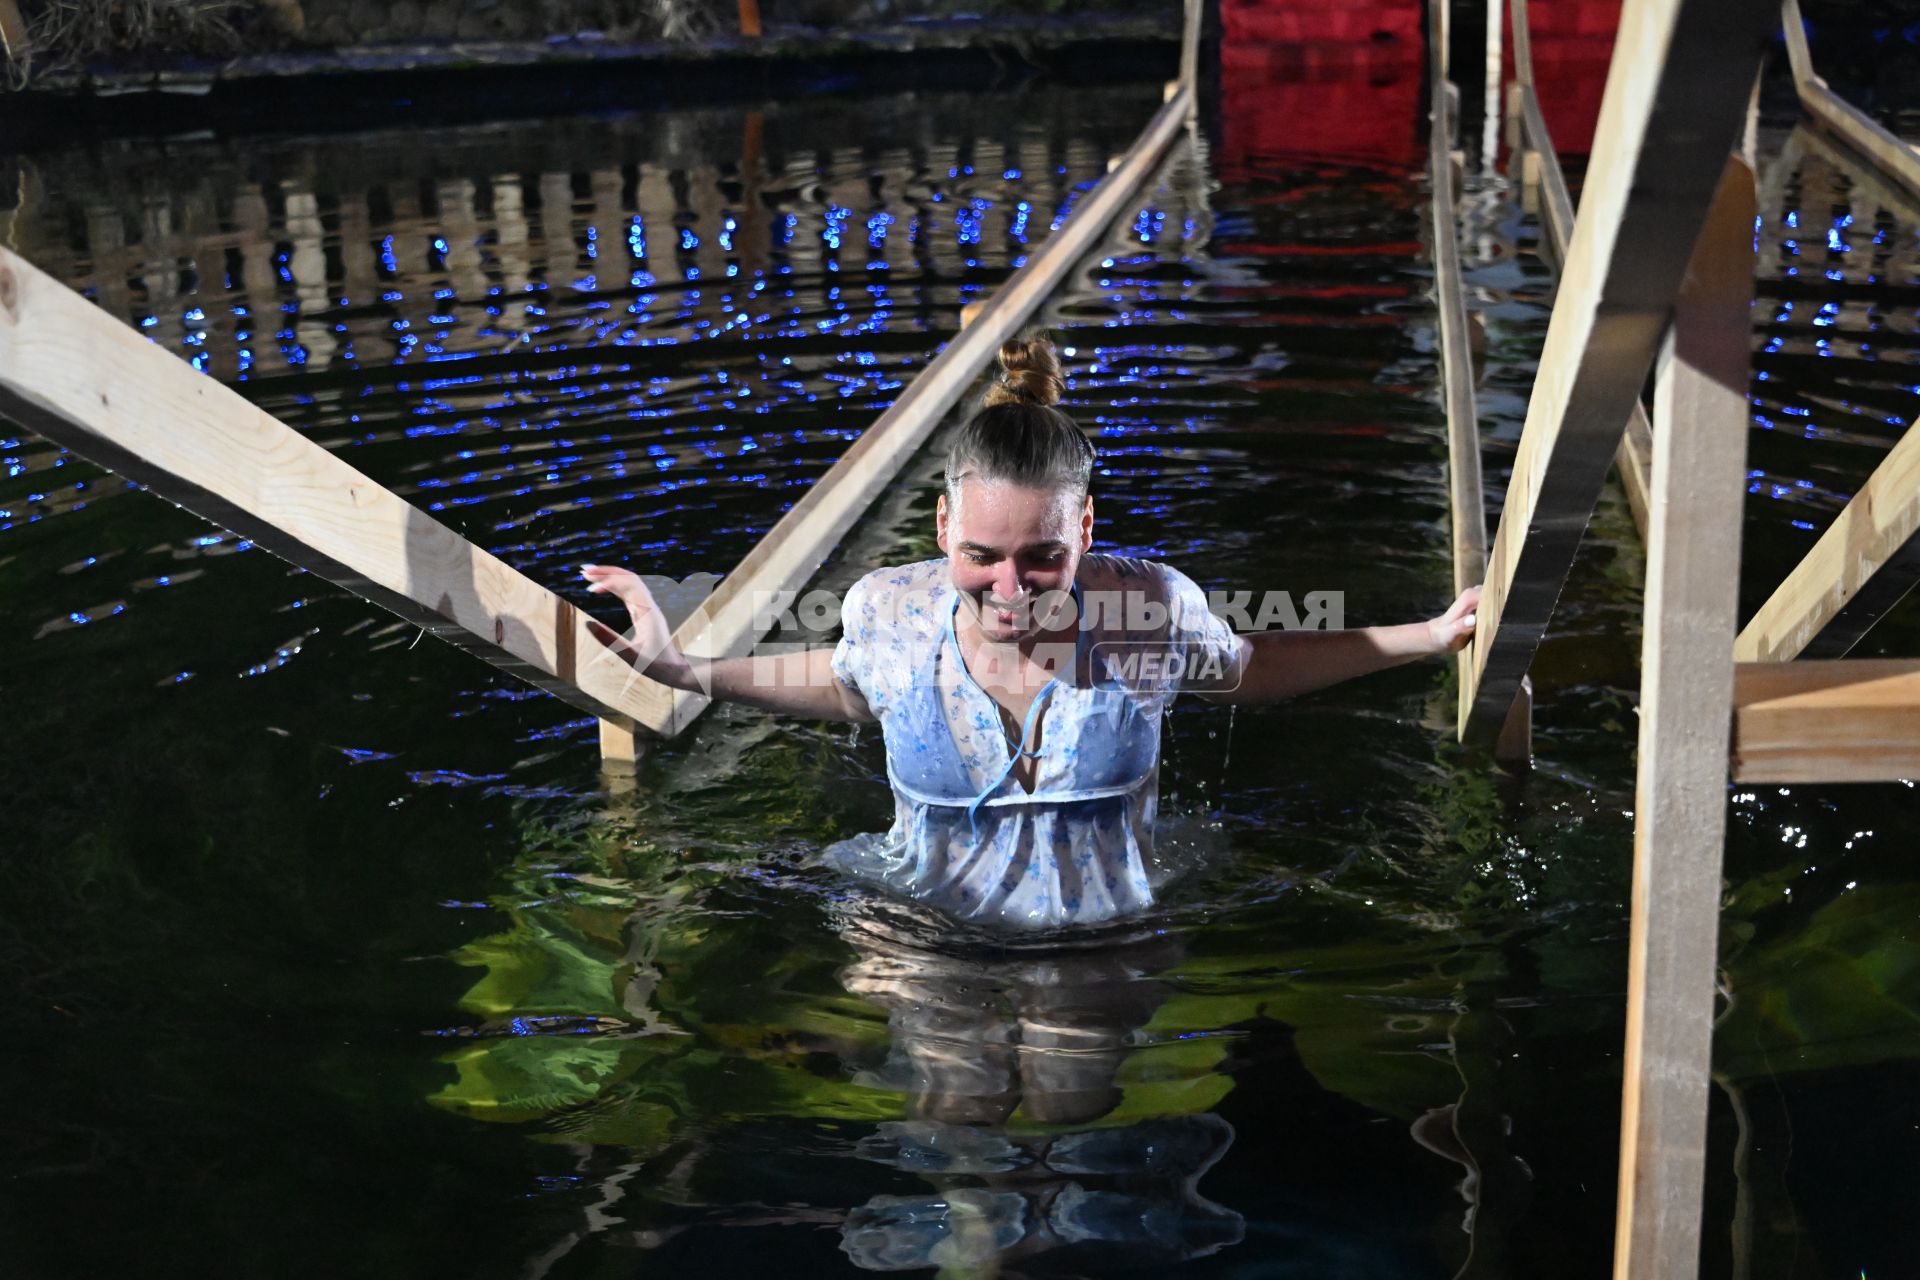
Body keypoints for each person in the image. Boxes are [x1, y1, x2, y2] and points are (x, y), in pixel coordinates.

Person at [581, 335, 1480, 932]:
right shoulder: (890, 613)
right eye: (981, 555)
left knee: (1072, 1107)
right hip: (924, 927)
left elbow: (1250, 665)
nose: (1009, 589)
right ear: (941, 529)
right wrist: (686, 669)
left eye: (1043, 557)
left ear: (1086, 530)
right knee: (956, 1121)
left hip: (1105, 929)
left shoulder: (1147, 613)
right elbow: (850, 686)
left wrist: (1427, 636)